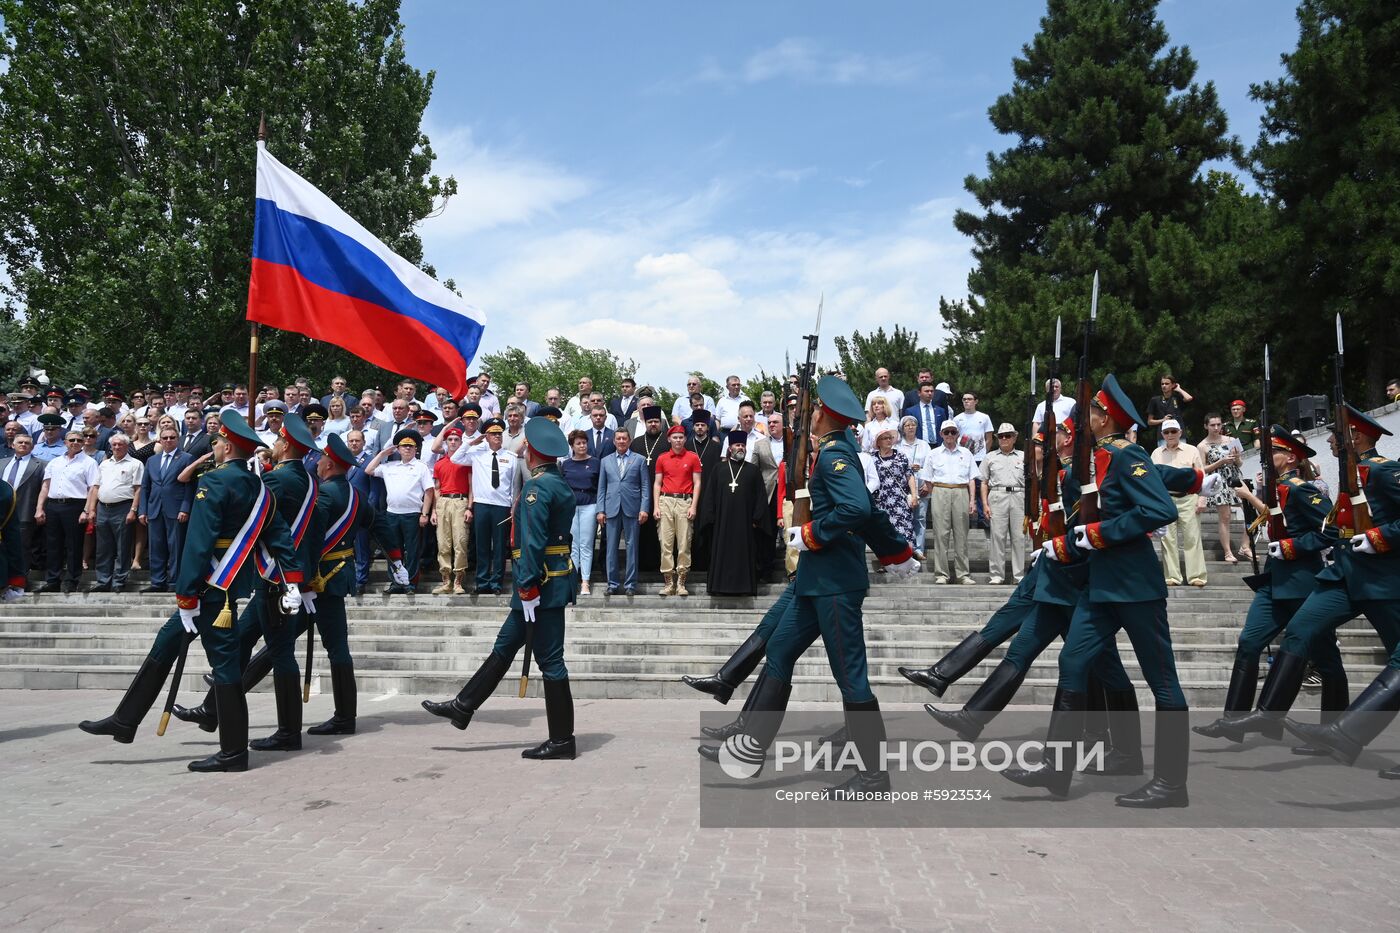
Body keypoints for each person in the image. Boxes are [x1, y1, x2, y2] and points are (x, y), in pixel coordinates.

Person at [700, 376, 907, 794]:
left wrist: (813, 534)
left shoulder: (835, 457)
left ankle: (874, 776)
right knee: (778, 650)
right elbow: (864, 514)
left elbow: (857, 507)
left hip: (834, 584)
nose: (809, 415)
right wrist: (893, 549)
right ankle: (751, 748)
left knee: (851, 678)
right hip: (816, 582)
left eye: (813, 410)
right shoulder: (833, 453)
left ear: (826, 416)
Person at [80, 412, 302, 773]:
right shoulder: (260, 489)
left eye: (216, 442)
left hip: (209, 588)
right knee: (166, 642)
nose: (213, 447)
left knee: (227, 667)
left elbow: (199, 543)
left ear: (226, 445)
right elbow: (280, 537)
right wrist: (291, 579)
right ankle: (125, 720)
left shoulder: (214, 482)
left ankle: (233, 753)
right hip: (228, 584)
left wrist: (186, 594)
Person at [1003, 374, 1187, 808]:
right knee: (1073, 660)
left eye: (1085, 412)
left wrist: (1099, 534)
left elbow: (1159, 509)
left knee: (1162, 682)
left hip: (1136, 587)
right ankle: (1056, 766)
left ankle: (1172, 784)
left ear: (1103, 417)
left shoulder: (1127, 455)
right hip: (1100, 585)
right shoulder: (1096, 459)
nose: (1075, 418)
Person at [1216, 405, 1400, 753]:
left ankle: (1340, 736)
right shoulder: (1350, 475)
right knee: (1300, 629)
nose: (1330, 439)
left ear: (1355, 437)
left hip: (1382, 581)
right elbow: (1332, 528)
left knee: (1397, 661)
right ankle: (1269, 713)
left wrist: (1380, 538)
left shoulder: (1384, 471)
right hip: (1344, 576)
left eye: (1336, 434)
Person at [421, 418, 581, 760]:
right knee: (505, 646)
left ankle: (562, 740)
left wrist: (525, 585)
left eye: (525, 446)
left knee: (551, 662)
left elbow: (534, 542)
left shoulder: (539, 489)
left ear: (533, 452)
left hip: (540, 585)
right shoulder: (559, 484)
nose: (522, 449)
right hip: (549, 580)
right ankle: (463, 706)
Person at [1193, 426, 1342, 744]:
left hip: (1302, 585)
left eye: (1272, 451)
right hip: (1274, 584)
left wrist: (1291, 547)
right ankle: (1232, 722)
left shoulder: (1302, 489)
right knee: (1248, 644)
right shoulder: (1276, 489)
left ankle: (1332, 733)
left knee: (1327, 659)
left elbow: (1331, 531)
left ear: (1290, 457)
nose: (1265, 457)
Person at [697, 431, 768, 596]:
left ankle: (743, 588)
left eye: (743, 445)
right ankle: (719, 587)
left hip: (745, 523)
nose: (740, 448)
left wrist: (757, 518)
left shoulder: (753, 470)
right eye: (737, 445)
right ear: (730, 448)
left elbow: (760, 497)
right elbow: (709, 496)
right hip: (722, 523)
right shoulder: (719, 469)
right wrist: (711, 518)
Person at [366, 430, 435, 593]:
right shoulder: (390, 466)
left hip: (412, 514)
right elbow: (368, 470)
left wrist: (424, 514)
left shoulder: (421, 467)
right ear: (398, 448)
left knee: (412, 551)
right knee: (393, 551)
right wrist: (382, 453)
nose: (407, 449)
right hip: (392, 514)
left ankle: (410, 583)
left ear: (416, 449)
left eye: (411, 446)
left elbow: (429, 491)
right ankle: (396, 583)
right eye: (404, 446)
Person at [456, 417, 516, 596]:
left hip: (502, 505)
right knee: (482, 545)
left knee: (498, 547)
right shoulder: (476, 454)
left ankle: (496, 582)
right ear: (486, 436)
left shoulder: (510, 457)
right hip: (482, 504)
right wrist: (472, 442)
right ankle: (482, 582)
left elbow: (513, 484)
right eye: (493, 433)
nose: (497, 436)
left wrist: (512, 506)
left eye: (499, 433)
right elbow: (455, 458)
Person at [34, 427, 98, 593]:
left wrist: (86, 510)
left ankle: (72, 579)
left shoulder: (89, 462)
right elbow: (45, 486)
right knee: (53, 544)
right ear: (65, 443)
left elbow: (92, 488)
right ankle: (53, 580)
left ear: (83, 442)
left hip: (75, 505)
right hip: (54, 505)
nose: (75, 443)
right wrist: (39, 507)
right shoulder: (55, 462)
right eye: (72, 440)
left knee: (74, 544)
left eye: (79, 440)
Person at [138, 423, 195, 593]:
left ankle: (174, 582)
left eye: (172, 437)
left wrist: (185, 508)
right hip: (154, 509)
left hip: (176, 509)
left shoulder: (186, 458)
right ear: (160, 440)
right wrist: (142, 510)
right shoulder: (152, 460)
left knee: (175, 547)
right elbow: (145, 486)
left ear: (178, 439)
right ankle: (157, 582)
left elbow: (190, 487)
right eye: (165, 438)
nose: (168, 440)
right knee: (156, 547)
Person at [920, 421, 977, 584]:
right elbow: (928, 479)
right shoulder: (933, 453)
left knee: (961, 535)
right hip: (940, 490)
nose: (950, 435)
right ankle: (941, 574)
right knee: (940, 535)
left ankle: (963, 574)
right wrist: (937, 494)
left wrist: (972, 500)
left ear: (957, 434)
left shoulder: (966, 453)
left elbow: (972, 479)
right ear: (941, 434)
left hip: (961, 490)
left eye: (953, 432)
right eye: (947, 432)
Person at [1152, 418, 1207, 586]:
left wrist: (1202, 498)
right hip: (1165, 498)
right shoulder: (1156, 453)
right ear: (1162, 434)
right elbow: (1152, 480)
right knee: (1167, 539)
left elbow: (1202, 475)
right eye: (1166, 432)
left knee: (1192, 537)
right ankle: (1172, 577)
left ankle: (1196, 576)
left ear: (1180, 432)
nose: (1170, 435)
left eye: (1173, 431)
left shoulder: (1192, 450)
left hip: (1189, 497)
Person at [596, 427, 651, 596]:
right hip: (611, 508)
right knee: (611, 547)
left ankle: (630, 585)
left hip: (632, 508)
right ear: (614, 441)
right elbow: (602, 488)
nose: (621, 441)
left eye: (624, 438)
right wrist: (600, 510)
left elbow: (645, 486)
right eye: (618, 438)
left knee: (632, 547)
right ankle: (612, 584)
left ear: (629, 440)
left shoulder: (639, 460)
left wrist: (644, 508)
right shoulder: (605, 461)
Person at [85, 432, 142, 593]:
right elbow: (96, 487)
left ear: (127, 446)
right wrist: (92, 509)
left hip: (123, 507)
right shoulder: (104, 464)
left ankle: (119, 581)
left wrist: (133, 510)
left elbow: (138, 489)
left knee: (122, 547)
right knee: (103, 547)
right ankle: (103, 581)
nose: (117, 447)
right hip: (103, 508)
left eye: (120, 444)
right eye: (114, 444)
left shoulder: (135, 464)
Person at [653, 424, 703, 597]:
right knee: (666, 543)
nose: (678, 440)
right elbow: (657, 483)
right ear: (669, 439)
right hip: (666, 500)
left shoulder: (692, 457)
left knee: (683, 543)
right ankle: (668, 582)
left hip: (684, 501)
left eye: (681, 437)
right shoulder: (662, 458)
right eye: (675, 437)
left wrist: (694, 506)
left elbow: (697, 483)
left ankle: (681, 582)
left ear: (685, 439)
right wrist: (656, 506)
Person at [1197, 413, 1248, 563]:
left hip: (1235, 477)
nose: (1216, 428)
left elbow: (1239, 463)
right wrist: (1221, 462)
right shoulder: (1202, 446)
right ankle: (1227, 552)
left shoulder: (1231, 440)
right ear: (1206, 426)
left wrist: (1237, 457)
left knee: (1252, 511)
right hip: (1218, 480)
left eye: (1219, 424)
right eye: (1213, 425)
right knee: (1225, 517)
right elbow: (1202, 469)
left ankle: (1245, 546)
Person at [981, 423, 1027, 585]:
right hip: (997, 494)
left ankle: (1019, 575)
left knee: (1019, 538)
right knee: (997, 537)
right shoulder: (990, 457)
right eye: (1001, 436)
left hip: (1019, 495)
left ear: (1015, 437)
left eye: (1008, 435)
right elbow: (984, 482)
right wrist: (985, 504)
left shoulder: (1024, 456)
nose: (1004, 439)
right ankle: (996, 575)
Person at [431, 428, 472, 595]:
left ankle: (458, 580)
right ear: (446, 443)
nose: (453, 442)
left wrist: (470, 507)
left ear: (461, 442)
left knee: (460, 542)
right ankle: (446, 580)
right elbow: (436, 488)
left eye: (456, 439)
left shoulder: (465, 462)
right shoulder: (439, 463)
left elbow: (471, 486)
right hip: (443, 502)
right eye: (450, 440)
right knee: (443, 543)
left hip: (460, 502)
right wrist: (434, 510)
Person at [560, 430, 601, 595]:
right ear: (572, 446)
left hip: (589, 505)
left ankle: (585, 582)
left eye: (584, 442)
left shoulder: (595, 462)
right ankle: (573, 581)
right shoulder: (566, 464)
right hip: (571, 507)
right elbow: (562, 487)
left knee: (586, 545)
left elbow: (600, 487)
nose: (582, 445)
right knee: (574, 545)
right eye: (578, 443)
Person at [0, 432, 42, 590]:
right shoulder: (2, 463)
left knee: (21, 545)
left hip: (23, 510)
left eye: (27, 443)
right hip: (6, 510)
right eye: (20, 442)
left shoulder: (40, 464)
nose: (23, 445)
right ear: (12, 445)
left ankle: (20, 578)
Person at [870, 426, 917, 563]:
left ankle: (907, 561)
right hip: (881, 501)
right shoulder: (872, 459)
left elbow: (910, 476)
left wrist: (914, 495)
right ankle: (887, 562)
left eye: (890, 437)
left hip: (900, 501)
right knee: (884, 532)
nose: (888, 440)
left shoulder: (901, 456)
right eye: (885, 438)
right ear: (878, 442)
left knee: (904, 529)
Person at [629, 405, 667, 574]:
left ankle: (662, 565)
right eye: (650, 421)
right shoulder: (636, 443)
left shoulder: (668, 442)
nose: (653, 424)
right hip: (640, 494)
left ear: (661, 423)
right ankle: (643, 565)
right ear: (645, 422)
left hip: (663, 493)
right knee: (643, 530)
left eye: (656, 422)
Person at [955, 391, 996, 528]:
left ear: (976, 401)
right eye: (964, 399)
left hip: (980, 458)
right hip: (963, 458)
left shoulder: (984, 417)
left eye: (969, 399)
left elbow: (989, 437)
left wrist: (985, 454)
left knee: (980, 487)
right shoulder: (957, 419)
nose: (966, 401)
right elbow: (955, 438)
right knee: (964, 487)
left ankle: (981, 518)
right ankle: (964, 519)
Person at [895, 415, 932, 559]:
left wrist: (928, 485)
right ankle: (905, 549)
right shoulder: (897, 446)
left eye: (913, 425)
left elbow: (931, 466)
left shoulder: (924, 445)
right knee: (904, 517)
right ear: (902, 429)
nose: (910, 427)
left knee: (920, 518)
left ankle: (919, 549)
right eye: (907, 425)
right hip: (904, 488)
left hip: (922, 484)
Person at [1145, 373, 1194, 446]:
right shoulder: (1155, 400)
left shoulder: (1177, 398)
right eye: (1162, 384)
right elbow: (1150, 421)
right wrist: (1162, 420)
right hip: (1163, 436)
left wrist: (1179, 389)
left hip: (1179, 434)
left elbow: (1189, 398)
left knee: (1182, 456)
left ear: (1173, 385)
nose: (1164, 386)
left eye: (1167, 383)